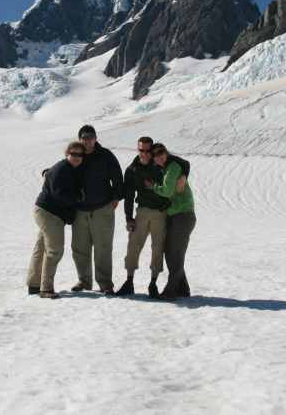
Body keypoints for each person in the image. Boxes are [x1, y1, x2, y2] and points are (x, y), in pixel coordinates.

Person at [116, 136, 189, 298]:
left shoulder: (159, 164)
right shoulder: (132, 170)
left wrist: (184, 175)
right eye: (141, 150)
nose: (144, 154)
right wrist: (129, 217)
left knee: (157, 249)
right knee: (133, 246)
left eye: (148, 150)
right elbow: (128, 196)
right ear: (138, 149)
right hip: (141, 212)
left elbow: (184, 163)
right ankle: (129, 281)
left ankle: (153, 283)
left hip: (161, 213)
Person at [27, 141, 85, 299]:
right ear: (67, 153)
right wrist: (79, 198)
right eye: (74, 154)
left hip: (45, 212)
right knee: (54, 250)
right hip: (49, 214)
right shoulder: (61, 169)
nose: (77, 157)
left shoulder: (68, 169)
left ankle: (33, 285)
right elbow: (60, 194)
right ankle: (45, 289)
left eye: (80, 155)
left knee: (41, 248)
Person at [71, 125, 124, 295]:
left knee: (103, 247)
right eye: (84, 137)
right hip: (80, 211)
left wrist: (116, 198)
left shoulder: (105, 156)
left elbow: (117, 177)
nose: (88, 140)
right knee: (80, 247)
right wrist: (47, 172)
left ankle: (105, 283)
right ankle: (84, 281)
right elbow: (62, 171)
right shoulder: (76, 155)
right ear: (80, 139)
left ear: (95, 138)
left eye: (91, 137)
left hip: (102, 209)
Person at [145, 143, 196, 300]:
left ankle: (171, 290)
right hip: (175, 215)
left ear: (166, 153)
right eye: (156, 154)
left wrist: (153, 186)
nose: (159, 156)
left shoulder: (172, 167)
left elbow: (167, 191)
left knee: (175, 255)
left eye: (162, 153)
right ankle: (183, 288)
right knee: (171, 253)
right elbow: (185, 163)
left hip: (183, 215)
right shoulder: (166, 167)